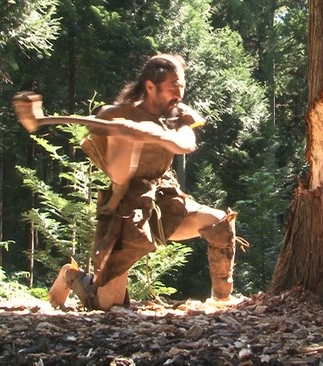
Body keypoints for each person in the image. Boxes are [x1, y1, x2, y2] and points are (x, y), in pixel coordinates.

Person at [48, 53, 244, 310]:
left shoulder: (177, 113)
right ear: (151, 87)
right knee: (109, 305)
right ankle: (71, 276)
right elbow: (119, 175)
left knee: (218, 222)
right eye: (173, 86)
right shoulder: (115, 115)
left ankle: (222, 300)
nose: (179, 93)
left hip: (164, 199)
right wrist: (128, 139)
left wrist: (155, 133)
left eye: (182, 85)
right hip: (126, 208)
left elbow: (187, 143)